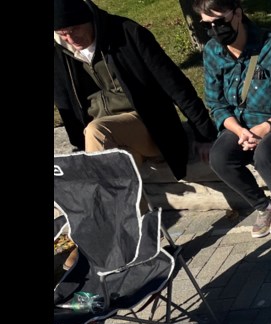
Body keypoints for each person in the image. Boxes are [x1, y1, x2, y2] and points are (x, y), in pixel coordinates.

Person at [54, 0, 218, 268]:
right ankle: (147, 250)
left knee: (96, 131)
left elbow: (175, 83)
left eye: (74, 30)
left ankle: (99, 239)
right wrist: (80, 150)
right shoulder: (60, 52)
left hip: (149, 126)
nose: (71, 39)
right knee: (121, 174)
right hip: (109, 142)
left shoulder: (127, 33)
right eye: (63, 34)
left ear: (89, 19)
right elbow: (66, 103)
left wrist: (203, 133)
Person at [193, 0, 271, 238]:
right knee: (219, 157)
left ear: (237, 14)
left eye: (220, 22)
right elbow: (216, 104)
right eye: (207, 26)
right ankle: (261, 206)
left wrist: (265, 128)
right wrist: (239, 130)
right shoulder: (213, 52)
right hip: (242, 125)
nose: (215, 30)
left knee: (265, 153)